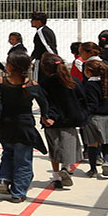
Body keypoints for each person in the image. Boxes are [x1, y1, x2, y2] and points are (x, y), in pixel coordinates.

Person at [0, 52, 52, 202]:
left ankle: (4, 179)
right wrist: (45, 116)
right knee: (23, 159)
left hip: (6, 125)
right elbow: (44, 102)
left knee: (7, 153)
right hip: (25, 126)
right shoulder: (32, 84)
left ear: (10, 66)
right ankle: (18, 193)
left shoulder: (0, 82)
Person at [38, 53, 85, 189]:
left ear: (45, 69)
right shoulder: (74, 81)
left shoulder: (45, 84)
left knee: (54, 149)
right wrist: (82, 118)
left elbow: (44, 103)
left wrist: (46, 116)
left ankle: (57, 176)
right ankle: (66, 168)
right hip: (70, 120)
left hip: (51, 121)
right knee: (68, 147)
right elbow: (82, 100)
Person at [80, 60, 108, 178]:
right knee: (105, 142)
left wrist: (83, 115)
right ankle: (106, 161)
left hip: (93, 118)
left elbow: (92, 104)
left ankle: (93, 169)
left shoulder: (89, 85)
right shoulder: (106, 84)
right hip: (107, 117)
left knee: (92, 144)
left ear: (88, 72)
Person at [29, 11, 58, 77]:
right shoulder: (48, 30)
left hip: (42, 61)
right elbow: (38, 48)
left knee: (37, 80)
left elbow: (47, 45)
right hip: (48, 61)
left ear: (38, 21)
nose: (31, 21)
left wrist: (54, 58)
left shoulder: (41, 31)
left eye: (33, 20)